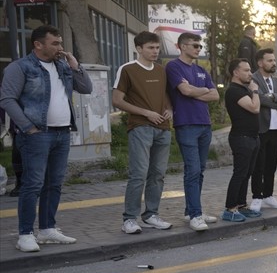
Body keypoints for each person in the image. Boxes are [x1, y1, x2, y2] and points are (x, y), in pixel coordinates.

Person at [0, 25, 94, 252]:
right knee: (33, 184)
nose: (60, 48)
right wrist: (28, 127)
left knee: (54, 184)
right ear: (38, 44)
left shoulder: (62, 65)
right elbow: (7, 100)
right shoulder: (20, 67)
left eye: (60, 43)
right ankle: (25, 234)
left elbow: (86, 88)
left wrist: (75, 65)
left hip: (62, 133)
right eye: (55, 43)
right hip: (36, 135)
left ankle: (47, 229)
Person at [111, 30, 173, 235]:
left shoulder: (161, 70)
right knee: (139, 174)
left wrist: (169, 109)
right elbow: (117, 100)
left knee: (158, 174)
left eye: (157, 48)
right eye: (151, 48)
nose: (155, 51)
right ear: (139, 49)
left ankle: (151, 215)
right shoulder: (127, 69)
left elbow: (166, 95)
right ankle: (129, 219)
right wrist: (146, 113)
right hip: (140, 127)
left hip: (163, 128)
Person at [166, 31, 219, 231]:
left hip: (204, 123)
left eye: (200, 46)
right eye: (195, 45)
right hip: (186, 124)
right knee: (193, 170)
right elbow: (184, 91)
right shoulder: (173, 66)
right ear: (182, 46)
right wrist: (199, 90)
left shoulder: (201, 70)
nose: (198, 49)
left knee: (201, 171)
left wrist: (195, 91)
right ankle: (196, 216)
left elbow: (214, 95)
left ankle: (192, 210)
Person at [249, 48, 277, 212]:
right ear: (260, 63)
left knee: (271, 165)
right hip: (261, 127)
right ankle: (257, 197)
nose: (273, 63)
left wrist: (273, 97)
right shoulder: (253, 78)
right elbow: (259, 99)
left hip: (276, 127)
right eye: (269, 60)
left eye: (273, 60)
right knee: (258, 165)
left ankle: (268, 195)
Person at [221, 58, 262, 222]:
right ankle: (230, 209)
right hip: (241, 138)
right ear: (235, 72)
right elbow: (255, 108)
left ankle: (240, 205)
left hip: (252, 137)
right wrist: (255, 91)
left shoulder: (243, 89)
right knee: (239, 173)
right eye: (246, 70)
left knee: (247, 173)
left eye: (250, 70)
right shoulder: (234, 91)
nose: (250, 74)